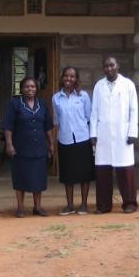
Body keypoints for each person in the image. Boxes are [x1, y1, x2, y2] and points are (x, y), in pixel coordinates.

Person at [90, 56, 139, 214]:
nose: (108, 68)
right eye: (106, 66)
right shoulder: (99, 86)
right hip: (103, 134)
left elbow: (134, 110)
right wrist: (93, 133)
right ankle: (103, 206)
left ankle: (129, 203)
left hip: (122, 134)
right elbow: (94, 111)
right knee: (103, 172)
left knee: (125, 171)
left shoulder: (128, 85)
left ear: (118, 66)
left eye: (111, 65)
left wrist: (132, 132)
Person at [3, 77, 54, 217]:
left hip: (39, 148)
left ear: (36, 88)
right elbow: (8, 125)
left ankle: (37, 207)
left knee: (39, 178)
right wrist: (9, 144)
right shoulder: (15, 104)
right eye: (27, 87)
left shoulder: (42, 104)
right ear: (22, 88)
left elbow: (48, 126)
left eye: (32, 86)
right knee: (21, 178)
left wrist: (51, 144)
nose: (30, 89)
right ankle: (20, 208)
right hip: (21, 148)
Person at [52, 66, 94, 216]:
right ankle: (69, 205)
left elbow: (89, 118)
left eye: (72, 76)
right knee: (67, 175)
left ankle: (83, 205)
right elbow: (56, 121)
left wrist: (93, 138)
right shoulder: (56, 98)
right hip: (65, 140)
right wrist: (52, 143)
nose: (69, 79)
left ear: (76, 79)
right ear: (62, 78)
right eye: (66, 76)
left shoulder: (83, 96)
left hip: (83, 139)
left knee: (84, 174)